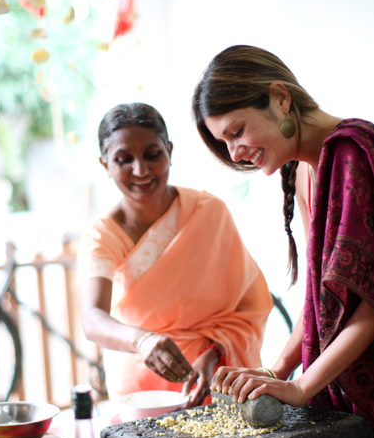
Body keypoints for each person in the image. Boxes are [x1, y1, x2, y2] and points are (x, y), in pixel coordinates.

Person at [192, 44, 374, 438]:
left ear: (280, 97)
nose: (235, 153)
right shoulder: (309, 168)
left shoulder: (352, 154)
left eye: (237, 132)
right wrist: (276, 370)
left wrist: (300, 387)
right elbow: (322, 300)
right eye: (226, 142)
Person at [80, 102, 273, 408]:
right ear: (105, 164)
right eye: (123, 159)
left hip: (216, 376)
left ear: (169, 150)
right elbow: (92, 319)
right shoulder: (103, 235)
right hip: (142, 388)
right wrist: (143, 340)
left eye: (153, 154)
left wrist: (214, 353)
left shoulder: (209, 212)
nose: (141, 170)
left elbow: (251, 305)